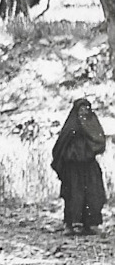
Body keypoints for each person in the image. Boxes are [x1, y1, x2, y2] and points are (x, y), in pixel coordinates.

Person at [52, 98, 107, 236]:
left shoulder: (92, 124)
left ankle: (90, 224)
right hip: (73, 168)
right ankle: (71, 224)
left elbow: (99, 142)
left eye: (86, 109)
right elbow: (60, 147)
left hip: (89, 166)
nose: (84, 112)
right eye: (81, 110)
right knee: (73, 195)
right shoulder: (70, 127)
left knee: (93, 193)